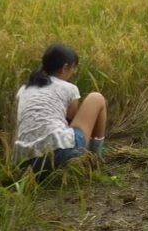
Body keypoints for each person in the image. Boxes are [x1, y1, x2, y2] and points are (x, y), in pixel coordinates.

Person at [13, 43, 107, 175]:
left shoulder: (24, 89)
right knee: (96, 98)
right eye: (73, 68)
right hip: (60, 153)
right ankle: (96, 159)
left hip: (25, 163)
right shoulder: (68, 88)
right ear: (65, 68)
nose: (73, 73)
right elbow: (73, 120)